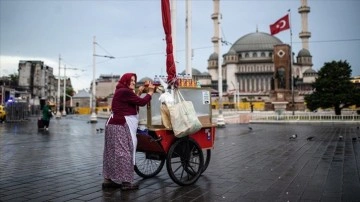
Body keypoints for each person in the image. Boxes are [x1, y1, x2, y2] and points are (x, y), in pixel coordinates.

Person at [102, 73, 155, 190]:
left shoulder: (122, 91)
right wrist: (150, 92)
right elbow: (141, 103)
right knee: (125, 152)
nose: (133, 82)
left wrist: (139, 93)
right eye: (131, 80)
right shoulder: (125, 92)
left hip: (113, 124)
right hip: (120, 125)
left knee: (111, 153)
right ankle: (126, 183)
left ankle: (107, 180)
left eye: (134, 81)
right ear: (125, 81)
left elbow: (132, 102)